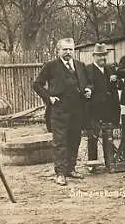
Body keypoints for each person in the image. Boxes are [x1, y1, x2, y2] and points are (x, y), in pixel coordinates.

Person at [32, 38, 90, 186]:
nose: (68, 52)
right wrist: (49, 98)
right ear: (58, 51)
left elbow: (88, 82)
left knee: (75, 140)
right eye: (65, 49)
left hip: (78, 110)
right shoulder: (51, 66)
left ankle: (71, 169)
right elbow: (37, 84)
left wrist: (89, 89)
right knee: (60, 142)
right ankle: (60, 173)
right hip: (59, 110)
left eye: (70, 49)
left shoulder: (80, 65)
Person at [85, 43, 121, 168]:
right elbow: (86, 85)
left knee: (108, 137)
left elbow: (117, 87)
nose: (102, 58)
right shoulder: (88, 69)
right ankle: (93, 164)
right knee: (93, 137)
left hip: (108, 109)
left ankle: (109, 161)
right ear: (94, 56)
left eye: (104, 55)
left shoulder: (110, 69)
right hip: (94, 110)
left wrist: (115, 81)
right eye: (99, 56)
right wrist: (88, 91)